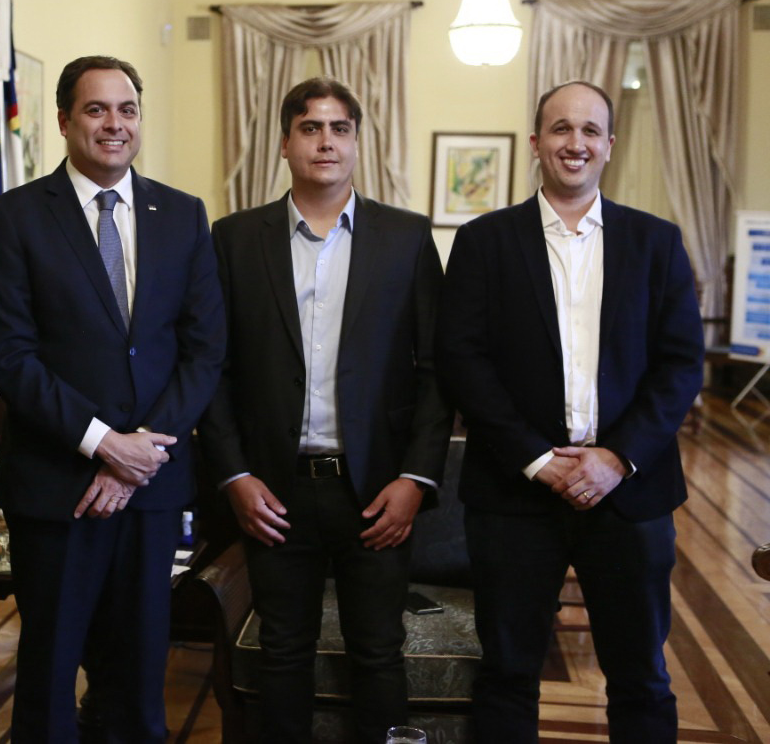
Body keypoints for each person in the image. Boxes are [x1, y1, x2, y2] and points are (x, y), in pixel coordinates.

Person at [437, 80, 705, 742]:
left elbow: (680, 365)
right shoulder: (483, 241)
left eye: (590, 130)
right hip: (514, 492)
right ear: (536, 143)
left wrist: (616, 458)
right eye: (561, 129)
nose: (575, 143)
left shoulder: (657, 242)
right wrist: (537, 459)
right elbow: (464, 362)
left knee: (641, 676)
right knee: (506, 673)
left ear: (610, 145)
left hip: (630, 493)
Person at [0, 55, 226, 742]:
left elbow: (204, 349)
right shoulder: (13, 217)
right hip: (58, 485)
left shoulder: (181, 213)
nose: (114, 124)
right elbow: (8, 354)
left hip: (151, 486)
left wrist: (140, 451)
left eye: (127, 109)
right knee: (51, 671)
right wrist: (102, 443)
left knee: (141, 671)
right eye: (96, 109)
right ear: (63, 120)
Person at [199, 77, 451, 743]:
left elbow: (437, 372)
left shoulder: (405, 238)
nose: (326, 141)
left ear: (357, 142)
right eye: (310, 127)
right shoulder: (232, 239)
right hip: (273, 490)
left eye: (340, 128)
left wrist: (415, 479)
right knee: (283, 646)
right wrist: (234, 475)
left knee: (377, 648)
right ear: (285, 143)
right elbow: (211, 371)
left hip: (376, 489)